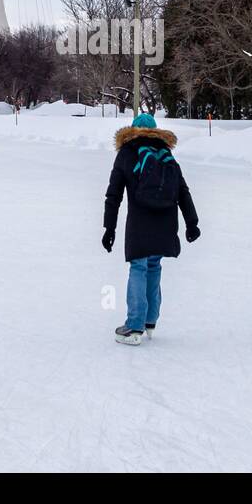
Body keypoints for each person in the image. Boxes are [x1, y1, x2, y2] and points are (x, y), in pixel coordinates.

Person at [102, 112, 200, 346]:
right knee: (154, 266)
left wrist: (109, 228)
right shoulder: (165, 153)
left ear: (133, 130)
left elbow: (113, 194)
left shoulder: (127, 152)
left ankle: (134, 325)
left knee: (138, 266)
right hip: (166, 221)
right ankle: (150, 321)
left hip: (140, 221)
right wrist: (192, 222)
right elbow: (183, 190)